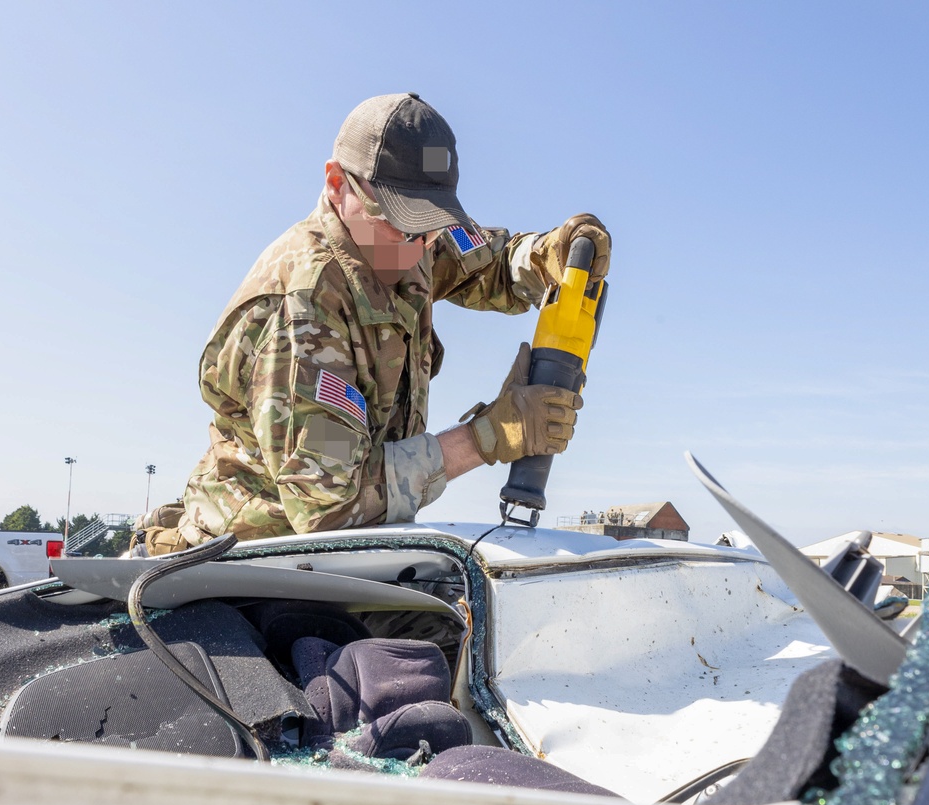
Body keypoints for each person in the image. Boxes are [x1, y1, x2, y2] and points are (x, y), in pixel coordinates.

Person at [134, 93, 610, 554]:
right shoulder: (302, 313)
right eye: (403, 225)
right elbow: (332, 510)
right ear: (337, 185)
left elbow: (490, 261)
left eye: (431, 226)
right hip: (259, 560)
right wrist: (489, 435)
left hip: (358, 550)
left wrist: (549, 252)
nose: (420, 247)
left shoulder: (405, 242)